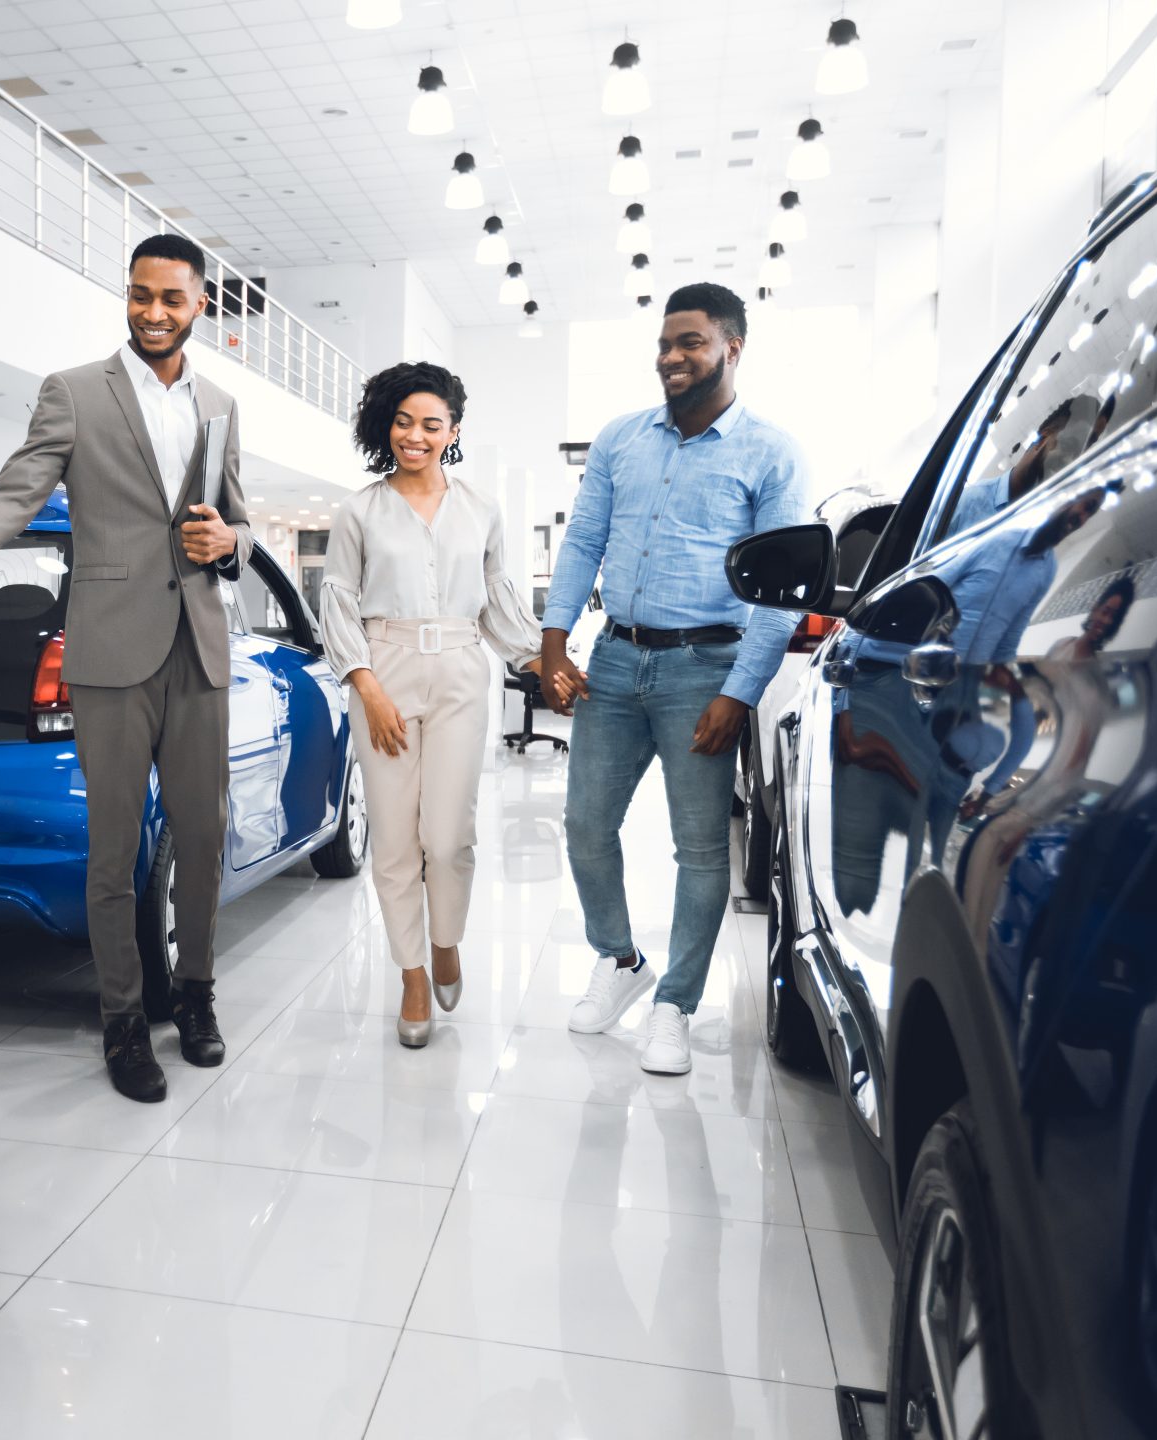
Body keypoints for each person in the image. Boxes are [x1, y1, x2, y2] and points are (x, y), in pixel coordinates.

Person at [0, 234, 252, 1103]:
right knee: (113, 854)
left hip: (200, 648)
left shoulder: (219, 404)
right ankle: (123, 1023)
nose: (151, 312)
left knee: (205, 839)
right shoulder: (73, 393)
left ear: (200, 306)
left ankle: (198, 996)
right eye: (139, 295)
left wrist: (233, 544)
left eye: (170, 300)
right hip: (109, 653)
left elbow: (235, 521)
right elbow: (12, 495)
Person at [541, 283, 810, 1075]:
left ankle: (676, 1006)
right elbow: (583, 539)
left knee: (699, 849)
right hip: (616, 660)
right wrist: (556, 644)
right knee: (586, 824)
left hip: (706, 667)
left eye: (689, 342)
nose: (671, 357)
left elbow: (782, 588)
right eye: (664, 344)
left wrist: (741, 691)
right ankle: (621, 962)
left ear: (732, 347)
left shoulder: (771, 451)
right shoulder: (622, 439)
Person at [318, 362, 544, 1048]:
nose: (414, 435)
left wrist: (543, 660)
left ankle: (447, 940)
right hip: (381, 668)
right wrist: (368, 685)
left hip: (457, 666)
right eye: (403, 421)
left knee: (448, 839)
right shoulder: (359, 510)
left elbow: (498, 602)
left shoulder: (481, 509)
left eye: (430, 424)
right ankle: (413, 974)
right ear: (387, 425)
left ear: (454, 431)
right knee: (393, 841)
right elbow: (338, 602)